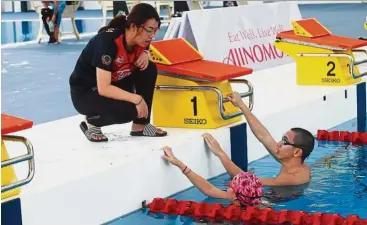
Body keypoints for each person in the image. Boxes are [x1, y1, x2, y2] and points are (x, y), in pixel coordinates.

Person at [162, 92, 315, 206]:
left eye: (285, 141)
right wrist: (242, 105)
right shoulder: (292, 161)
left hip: (271, 201)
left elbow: (243, 180)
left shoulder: (292, 178)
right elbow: (263, 136)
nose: (279, 143)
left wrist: (220, 153)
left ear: (297, 152)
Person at [69, 3, 167, 142]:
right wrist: (136, 99)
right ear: (134, 26)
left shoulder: (140, 40)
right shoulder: (108, 43)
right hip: (87, 93)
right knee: (130, 110)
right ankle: (92, 122)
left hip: (116, 81)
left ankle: (140, 125)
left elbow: (146, 47)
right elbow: (104, 88)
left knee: (148, 68)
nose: (152, 36)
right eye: (150, 30)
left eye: (155, 31)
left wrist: (145, 53)